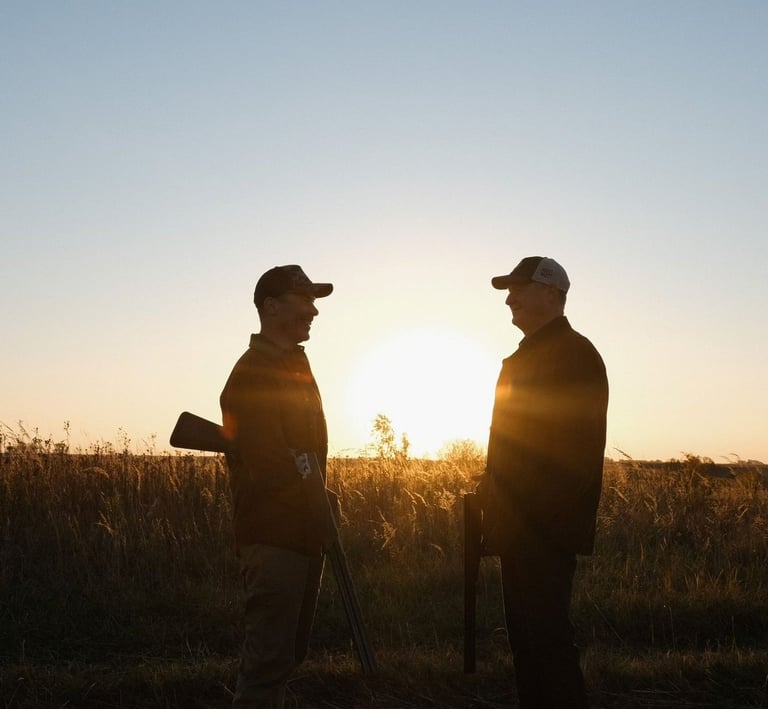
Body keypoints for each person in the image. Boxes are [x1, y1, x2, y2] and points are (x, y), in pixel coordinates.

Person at [477, 256, 609, 709]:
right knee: (528, 648)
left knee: (548, 646)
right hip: (519, 531)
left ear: (552, 294)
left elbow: (575, 453)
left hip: (541, 532)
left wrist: (529, 521)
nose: (510, 299)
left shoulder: (573, 356)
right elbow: (513, 446)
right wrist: (488, 500)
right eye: (508, 291)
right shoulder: (529, 356)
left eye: (520, 288)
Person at [219, 264, 335, 709]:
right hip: (273, 535)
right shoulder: (254, 371)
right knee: (268, 662)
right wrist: (312, 494)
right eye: (304, 301)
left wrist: (321, 504)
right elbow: (269, 463)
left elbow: (303, 453)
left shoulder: (293, 366)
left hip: (302, 532)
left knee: (288, 656)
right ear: (271, 306)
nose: (313, 312)